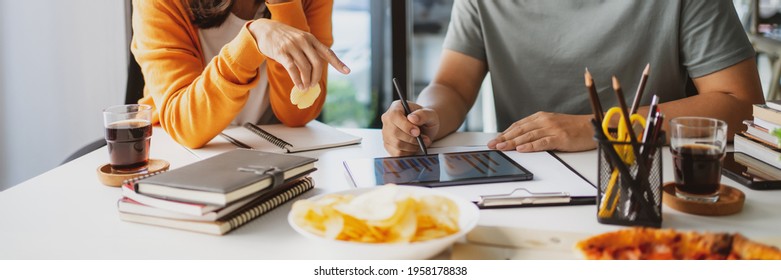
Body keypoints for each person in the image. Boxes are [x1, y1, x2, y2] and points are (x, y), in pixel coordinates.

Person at [381, 0, 765, 156]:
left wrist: (598, 129)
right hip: (526, 179)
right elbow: (452, 86)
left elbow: (741, 103)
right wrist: (426, 115)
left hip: (650, 178)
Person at [131, 0, 350, 148]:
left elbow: (299, 113)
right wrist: (252, 40)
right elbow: (186, 125)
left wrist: (285, 5)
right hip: (180, 154)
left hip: (270, 150)